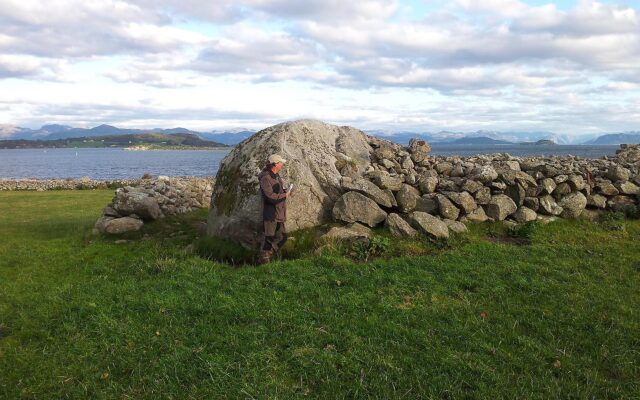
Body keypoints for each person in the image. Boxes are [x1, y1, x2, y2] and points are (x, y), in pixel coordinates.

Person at [257, 154, 290, 264]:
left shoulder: (276, 175)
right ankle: (263, 261)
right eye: (281, 163)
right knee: (269, 239)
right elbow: (269, 197)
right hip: (271, 214)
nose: (282, 164)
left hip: (279, 212)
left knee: (283, 238)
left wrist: (284, 191)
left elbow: (276, 191)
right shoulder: (266, 178)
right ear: (275, 164)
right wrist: (284, 195)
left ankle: (267, 255)